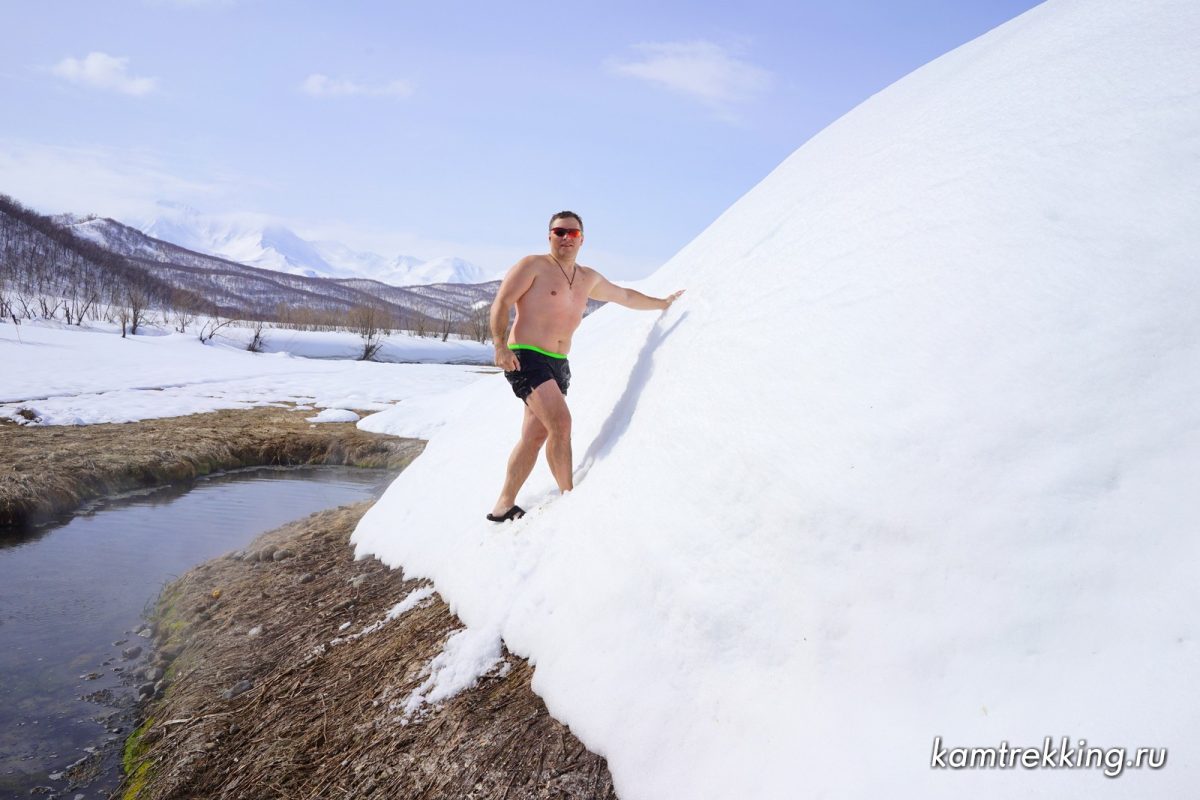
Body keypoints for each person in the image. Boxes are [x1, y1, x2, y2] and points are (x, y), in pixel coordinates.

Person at [486, 211, 684, 521]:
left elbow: (626, 296)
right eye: (559, 232)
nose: (566, 238)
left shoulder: (587, 278)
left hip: (559, 363)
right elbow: (501, 302)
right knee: (561, 424)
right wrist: (499, 345)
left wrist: (664, 303)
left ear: (582, 238)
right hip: (525, 357)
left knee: (535, 435)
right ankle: (570, 501)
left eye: (573, 233)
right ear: (549, 235)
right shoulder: (533, 266)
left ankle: (503, 505)